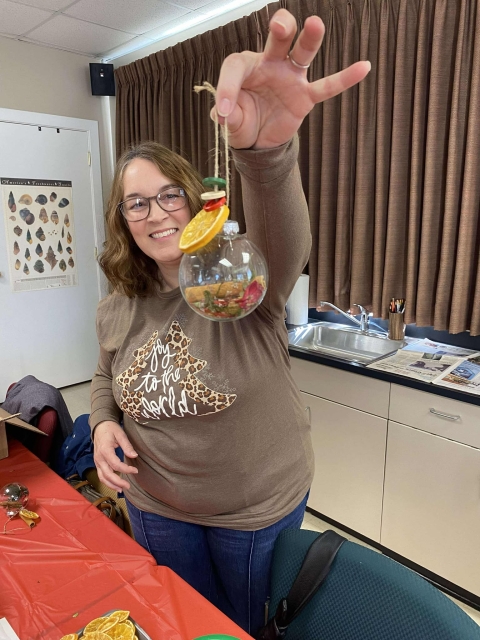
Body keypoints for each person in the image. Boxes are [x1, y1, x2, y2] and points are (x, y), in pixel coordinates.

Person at [90, 8, 370, 636]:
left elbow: (283, 235)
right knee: (188, 623)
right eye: (136, 201)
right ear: (122, 219)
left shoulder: (240, 286)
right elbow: (104, 375)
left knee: (246, 626)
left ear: (196, 202)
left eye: (169, 194)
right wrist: (103, 421)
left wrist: (264, 151)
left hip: (254, 513)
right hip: (156, 504)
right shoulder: (116, 303)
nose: (155, 212)